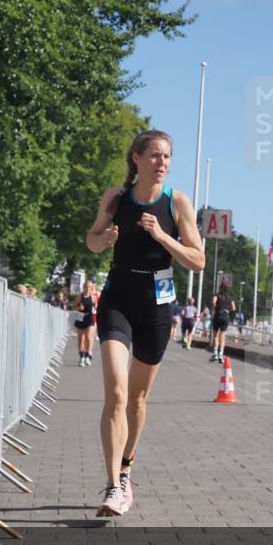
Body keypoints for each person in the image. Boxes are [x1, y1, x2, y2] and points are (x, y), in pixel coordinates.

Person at [85, 129, 205, 517]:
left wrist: (163, 236)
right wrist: (104, 240)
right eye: (154, 155)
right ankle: (112, 486)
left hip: (156, 305)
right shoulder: (115, 198)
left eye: (167, 156)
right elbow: (91, 239)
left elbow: (198, 260)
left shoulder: (177, 202)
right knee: (117, 393)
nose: (162, 162)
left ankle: (125, 469)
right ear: (136, 157)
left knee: (137, 399)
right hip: (118, 298)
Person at [73, 280, 98, 367]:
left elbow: (96, 307)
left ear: (92, 288)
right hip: (80, 319)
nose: (88, 288)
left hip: (90, 319)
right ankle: (81, 357)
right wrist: (79, 308)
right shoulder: (79, 297)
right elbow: (74, 306)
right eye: (86, 286)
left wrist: (95, 308)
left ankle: (87, 355)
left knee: (89, 338)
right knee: (81, 339)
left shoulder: (93, 297)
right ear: (83, 287)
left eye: (89, 287)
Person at [210, 283, 235, 362]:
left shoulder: (216, 295)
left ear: (220, 288)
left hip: (218, 316)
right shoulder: (230, 298)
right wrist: (227, 310)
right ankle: (221, 354)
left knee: (215, 335)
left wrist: (215, 308)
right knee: (223, 336)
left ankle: (215, 354)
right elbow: (233, 308)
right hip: (225, 317)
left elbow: (213, 302)